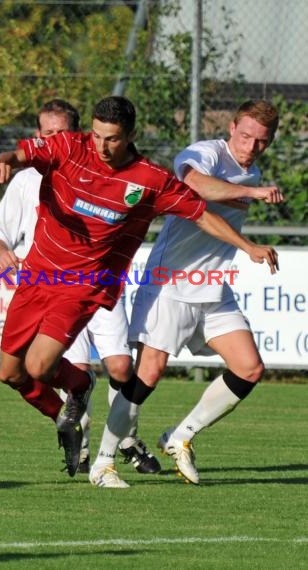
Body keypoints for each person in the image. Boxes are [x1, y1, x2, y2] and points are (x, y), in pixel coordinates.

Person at [0, 95, 279, 482]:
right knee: (11, 373)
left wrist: (247, 247)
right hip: (42, 277)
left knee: (42, 365)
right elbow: (23, 153)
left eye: (111, 139)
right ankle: (70, 406)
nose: (101, 146)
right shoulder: (71, 146)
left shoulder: (149, 179)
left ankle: (115, 450)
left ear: (130, 136)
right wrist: (5, 158)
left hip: (88, 284)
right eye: (96, 136)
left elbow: (199, 212)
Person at [90, 99, 282, 487]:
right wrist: (257, 194)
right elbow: (193, 185)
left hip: (212, 288)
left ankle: (179, 436)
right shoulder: (205, 153)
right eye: (245, 136)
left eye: (261, 141)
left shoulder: (253, 170)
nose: (250, 147)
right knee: (148, 375)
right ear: (231, 128)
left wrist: (252, 198)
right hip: (171, 284)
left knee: (249, 367)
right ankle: (103, 463)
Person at [0, 98, 160, 475]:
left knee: (119, 366)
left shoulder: (100, 165)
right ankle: (70, 425)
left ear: (77, 134)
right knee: (20, 372)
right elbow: (0, 232)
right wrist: (1, 250)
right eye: (47, 133)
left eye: (62, 132)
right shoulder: (26, 179)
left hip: (92, 284)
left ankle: (125, 441)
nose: (55, 138)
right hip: (44, 284)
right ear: (38, 137)